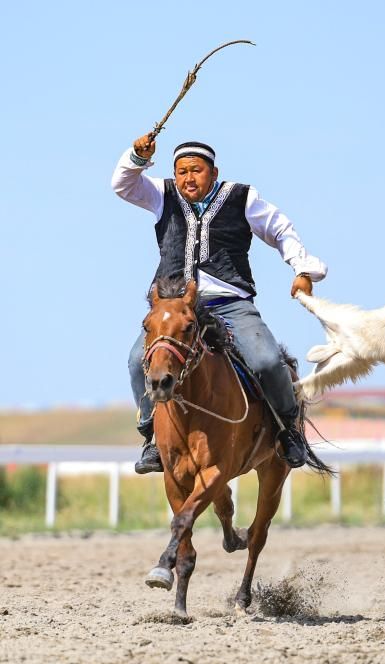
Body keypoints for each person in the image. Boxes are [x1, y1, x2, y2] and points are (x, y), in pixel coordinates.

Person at [111, 135, 327, 473]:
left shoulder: (242, 198)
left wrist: (301, 267)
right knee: (137, 358)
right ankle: (152, 434)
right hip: (174, 305)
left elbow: (280, 229)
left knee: (269, 361)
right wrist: (137, 158)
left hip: (230, 303)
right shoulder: (160, 195)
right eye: (181, 171)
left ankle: (289, 431)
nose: (188, 178)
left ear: (214, 172)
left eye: (196, 170)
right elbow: (123, 185)